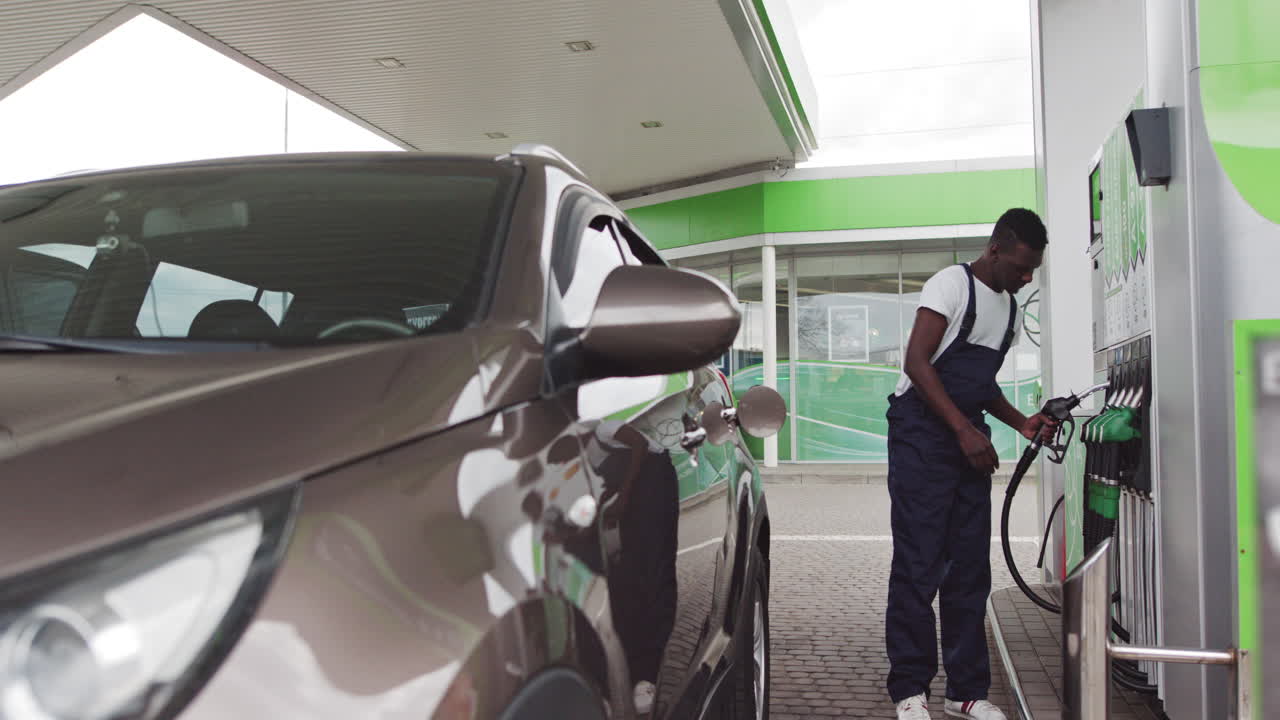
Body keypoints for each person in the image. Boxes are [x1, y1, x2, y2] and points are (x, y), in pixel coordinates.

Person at [884, 208, 1056, 720]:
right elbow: (917, 362)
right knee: (919, 566)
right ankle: (910, 690)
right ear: (996, 248)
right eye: (1022, 267)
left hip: (966, 439)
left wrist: (1020, 421)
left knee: (968, 569)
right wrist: (964, 430)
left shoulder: (1006, 308)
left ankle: (965, 692)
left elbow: (980, 384)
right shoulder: (950, 286)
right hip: (920, 435)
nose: (1026, 279)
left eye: (1033, 271)